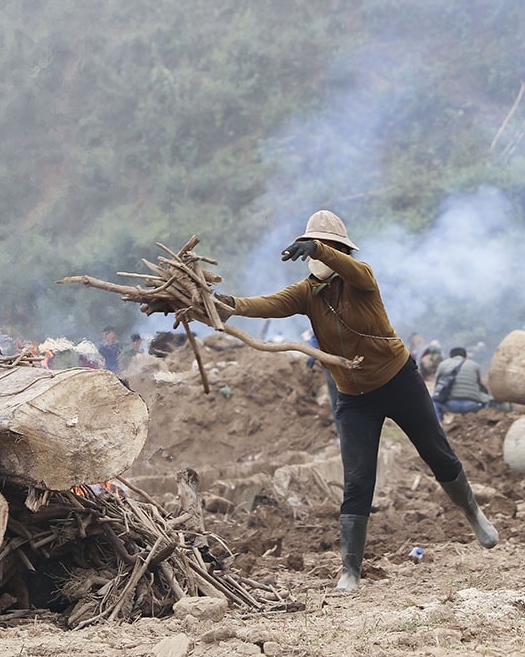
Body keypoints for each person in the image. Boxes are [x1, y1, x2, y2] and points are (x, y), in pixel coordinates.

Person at [213, 209, 498, 592]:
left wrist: (321, 248)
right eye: (312, 251)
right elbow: (265, 304)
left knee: (437, 452)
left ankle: (473, 512)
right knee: (358, 480)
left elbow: (355, 271)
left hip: (398, 380)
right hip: (353, 397)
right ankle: (350, 570)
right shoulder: (306, 294)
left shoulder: (361, 280)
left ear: (339, 251)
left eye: (324, 249)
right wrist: (225, 304)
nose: (316, 257)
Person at [431, 346, 494, 422]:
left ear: (450, 356)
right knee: (488, 400)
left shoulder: (443, 365)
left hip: (451, 405)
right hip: (472, 405)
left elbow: (437, 386)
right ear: (465, 356)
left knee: (434, 400)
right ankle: (483, 423)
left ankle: (438, 424)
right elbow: (479, 385)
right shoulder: (474, 365)